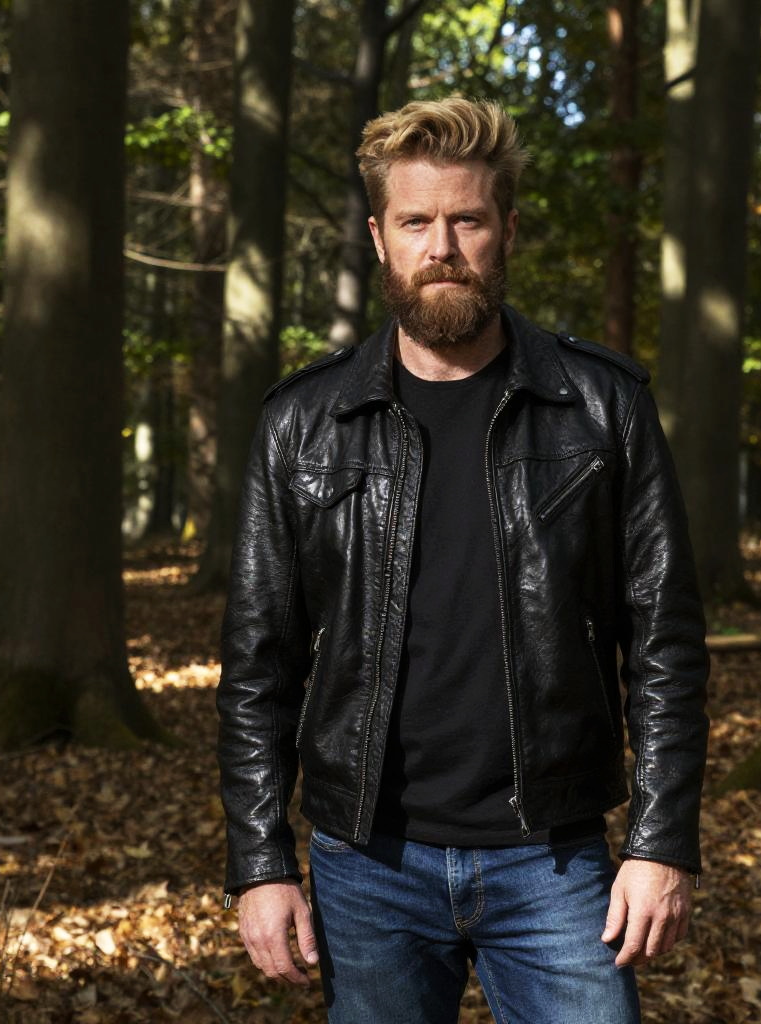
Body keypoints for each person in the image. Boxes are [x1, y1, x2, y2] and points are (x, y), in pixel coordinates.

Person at [217, 97, 709, 1024]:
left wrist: (660, 842)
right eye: (415, 222)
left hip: (554, 858)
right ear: (379, 238)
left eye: (467, 220)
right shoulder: (303, 422)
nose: (441, 247)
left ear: (507, 229)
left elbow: (666, 647)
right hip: (366, 863)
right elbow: (257, 667)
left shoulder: (603, 407)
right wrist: (260, 862)